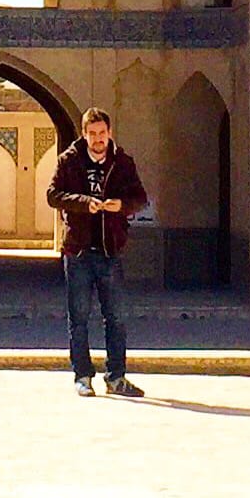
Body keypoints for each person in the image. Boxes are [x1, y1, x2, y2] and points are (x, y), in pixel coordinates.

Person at [47, 107, 148, 398]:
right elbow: (53, 195)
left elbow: (139, 198)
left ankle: (116, 377)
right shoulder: (69, 161)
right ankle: (82, 376)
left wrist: (121, 205)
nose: (97, 139)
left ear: (109, 133)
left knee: (115, 317)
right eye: (92, 134)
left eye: (102, 133)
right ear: (84, 134)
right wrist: (82, 202)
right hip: (78, 250)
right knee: (78, 317)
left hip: (109, 250)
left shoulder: (123, 162)